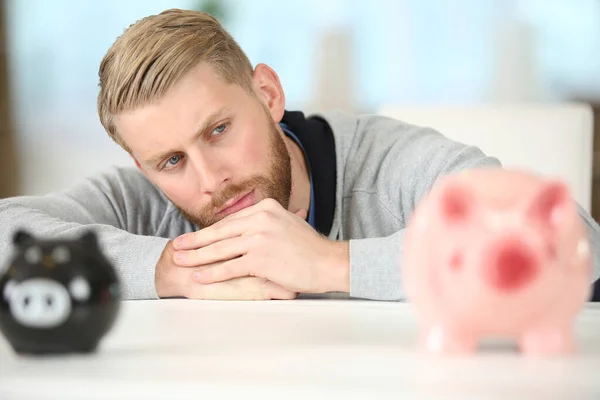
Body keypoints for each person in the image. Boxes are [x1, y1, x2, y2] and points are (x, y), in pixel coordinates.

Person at [1, 8, 599, 301]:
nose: (211, 180)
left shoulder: (389, 165)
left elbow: (571, 239)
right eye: (171, 161)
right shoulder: (149, 201)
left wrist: (332, 265)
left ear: (268, 93)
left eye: (217, 130)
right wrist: (168, 268)